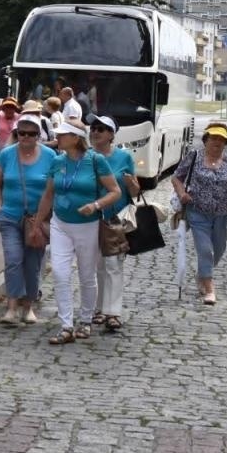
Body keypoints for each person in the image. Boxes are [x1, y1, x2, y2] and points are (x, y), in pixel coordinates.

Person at [35, 120, 122, 344]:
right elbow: (48, 194)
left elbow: (115, 191)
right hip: (60, 224)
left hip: (88, 225)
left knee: (86, 275)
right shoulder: (57, 161)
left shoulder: (96, 160)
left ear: (75, 138)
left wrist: (95, 206)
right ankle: (66, 325)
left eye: (63, 135)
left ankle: (85, 320)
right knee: (60, 273)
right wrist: (38, 221)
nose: (58, 138)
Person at [169, 122, 227, 306]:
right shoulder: (194, 157)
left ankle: (202, 273)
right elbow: (176, 178)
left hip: (222, 214)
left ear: (226, 143)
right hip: (197, 211)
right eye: (213, 138)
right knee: (205, 250)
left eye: (221, 139)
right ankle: (209, 288)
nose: (217, 142)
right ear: (206, 140)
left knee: (219, 249)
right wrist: (182, 194)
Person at [0, 113, 56, 325]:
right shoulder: (7, 154)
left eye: (31, 134)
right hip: (10, 216)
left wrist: (46, 216)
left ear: (39, 135)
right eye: (21, 133)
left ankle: (28, 307)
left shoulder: (50, 157)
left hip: (37, 220)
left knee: (32, 263)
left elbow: (53, 190)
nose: (26, 137)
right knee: (13, 259)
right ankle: (11, 307)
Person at [88, 116, 138, 333]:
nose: (96, 132)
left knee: (113, 266)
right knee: (97, 265)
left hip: (116, 219)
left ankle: (113, 313)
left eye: (102, 129)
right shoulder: (87, 157)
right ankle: (98, 309)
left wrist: (132, 184)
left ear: (111, 134)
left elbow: (135, 192)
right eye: (93, 128)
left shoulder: (124, 156)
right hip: (90, 218)